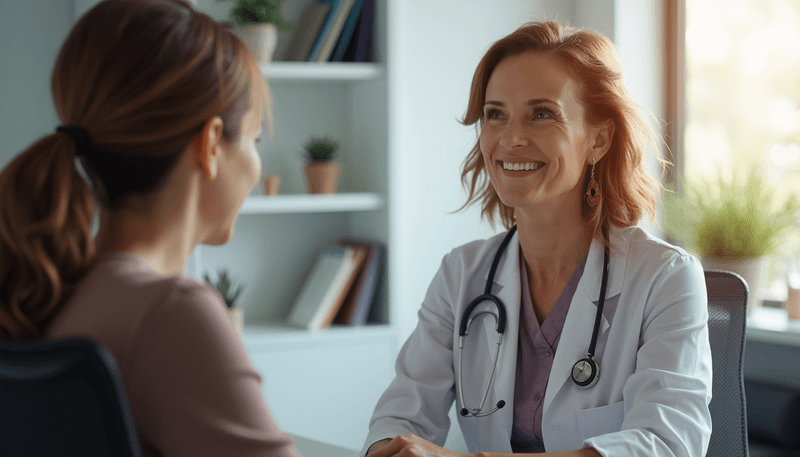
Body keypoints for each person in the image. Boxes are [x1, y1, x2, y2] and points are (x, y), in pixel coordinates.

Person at [360, 21, 712, 457]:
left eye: (542, 113)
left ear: (598, 138)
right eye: (495, 114)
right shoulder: (461, 274)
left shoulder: (664, 278)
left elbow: (665, 443)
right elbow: (400, 416)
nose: (511, 138)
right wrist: (391, 449)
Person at [0, 1, 300, 456]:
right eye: (255, 139)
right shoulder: (171, 313)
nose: (257, 166)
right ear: (212, 144)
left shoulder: (44, 288)